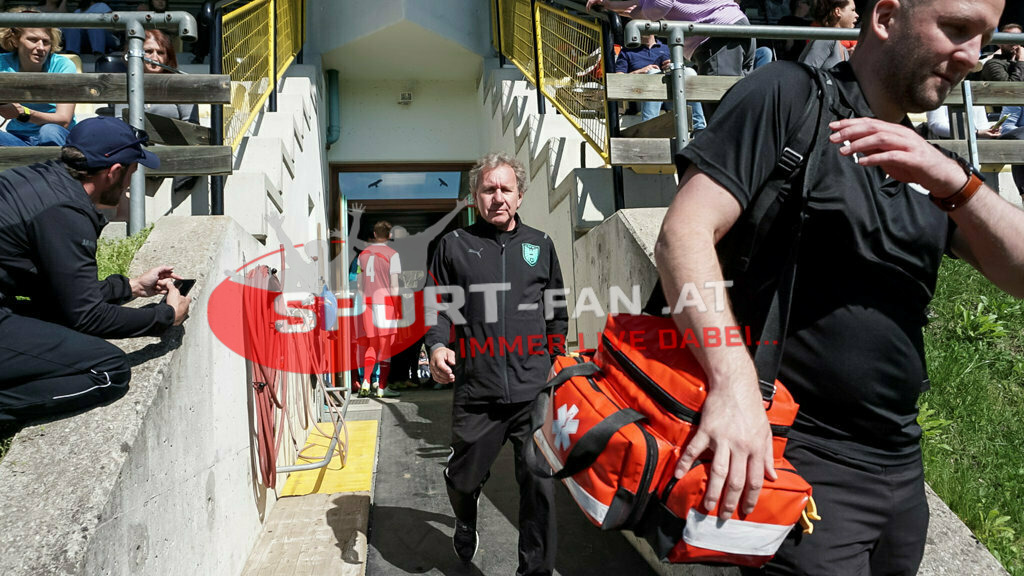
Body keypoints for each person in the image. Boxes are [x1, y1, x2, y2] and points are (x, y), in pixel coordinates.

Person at [653, 0, 1022, 573]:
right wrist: (734, 385)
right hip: (797, 457)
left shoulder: (934, 168)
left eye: (984, 38)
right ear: (885, 17)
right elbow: (683, 235)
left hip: (900, 470)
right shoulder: (788, 96)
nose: (972, 57)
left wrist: (956, 181)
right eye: (956, 28)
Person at [0, 116, 192, 426]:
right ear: (114, 172)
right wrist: (166, 317)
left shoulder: (45, 181)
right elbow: (87, 316)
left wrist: (132, 287)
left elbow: (66, 293)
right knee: (108, 370)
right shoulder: (66, 212)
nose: (130, 182)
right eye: (132, 172)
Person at [426, 152, 568, 573]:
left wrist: (556, 360)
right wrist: (436, 346)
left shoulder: (540, 245)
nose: (498, 197)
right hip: (477, 390)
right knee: (463, 478)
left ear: (520, 196)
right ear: (475, 197)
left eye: (506, 189)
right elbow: (436, 306)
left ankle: (535, 571)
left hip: (532, 390)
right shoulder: (453, 246)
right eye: (489, 189)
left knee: (539, 483)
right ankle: (465, 515)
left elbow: (556, 308)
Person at [587, 0, 755, 78]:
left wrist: (634, 12)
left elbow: (660, 5)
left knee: (723, 108)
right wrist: (608, 4)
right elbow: (647, 5)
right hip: (731, 28)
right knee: (736, 102)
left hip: (718, 35)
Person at [0, 13, 77, 147]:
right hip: (17, 138)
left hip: (56, 136)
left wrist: (25, 113)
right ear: (15, 40)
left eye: (46, 42)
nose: (41, 47)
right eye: (33, 40)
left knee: (49, 130)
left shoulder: (62, 65)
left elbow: (64, 120)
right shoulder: (2, 63)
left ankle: (51, 168)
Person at [615, 34, 708, 130]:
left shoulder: (668, 48)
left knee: (689, 71)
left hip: (671, 96)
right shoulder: (627, 51)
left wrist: (672, 66)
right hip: (641, 96)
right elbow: (618, 79)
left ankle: (699, 127)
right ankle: (649, 129)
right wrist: (639, 72)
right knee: (653, 73)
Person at [356, 220, 402, 399]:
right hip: (385, 303)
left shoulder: (363, 255)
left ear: (374, 234)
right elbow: (394, 285)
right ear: (389, 235)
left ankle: (366, 381)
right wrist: (396, 307)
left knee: (371, 345)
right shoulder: (393, 254)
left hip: (367, 303)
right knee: (386, 347)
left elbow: (359, 285)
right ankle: (382, 386)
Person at [798, 0, 858, 69]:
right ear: (837, 12)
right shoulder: (826, 39)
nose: (857, 15)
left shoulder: (844, 49)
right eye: (852, 10)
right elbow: (806, 73)